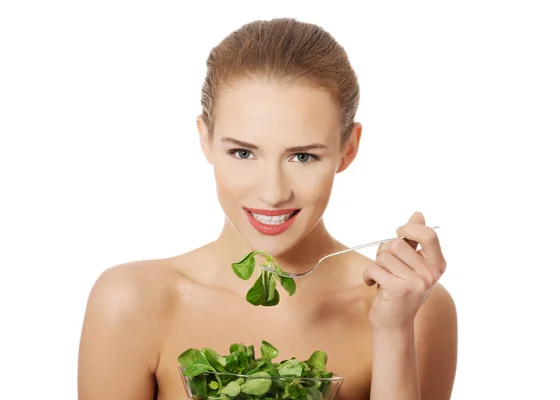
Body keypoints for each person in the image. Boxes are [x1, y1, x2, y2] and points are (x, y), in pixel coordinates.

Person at [77, 17, 457, 400]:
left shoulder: (415, 309)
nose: (273, 193)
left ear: (348, 149)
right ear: (205, 140)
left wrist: (392, 330)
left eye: (303, 157)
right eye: (243, 152)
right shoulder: (131, 300)